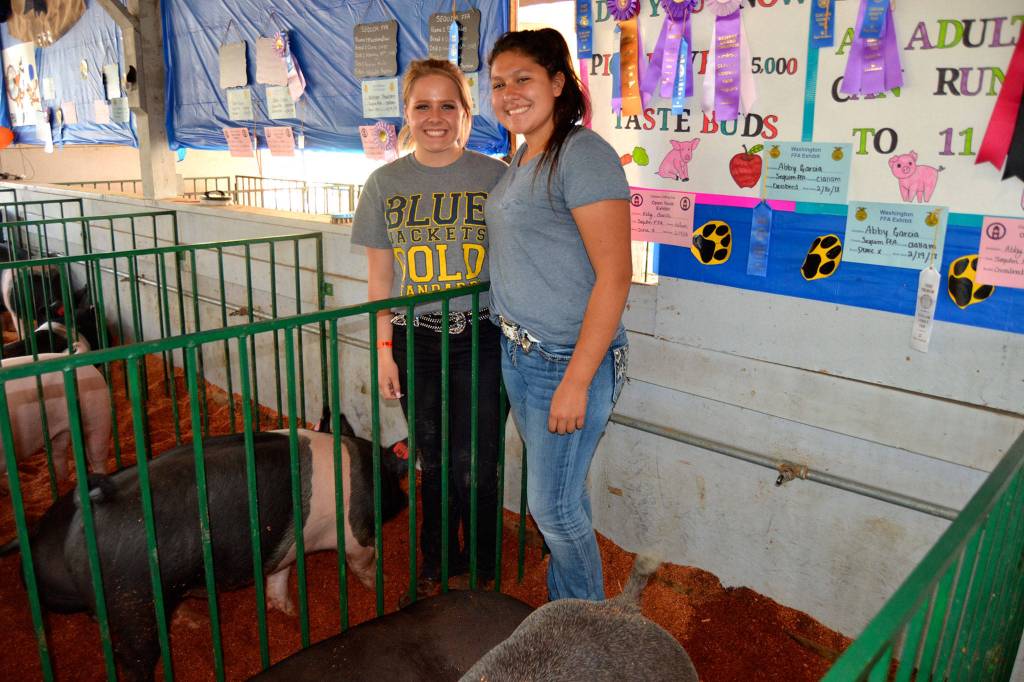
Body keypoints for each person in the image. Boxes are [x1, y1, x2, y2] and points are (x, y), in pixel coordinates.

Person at [351, 59, 508, 596]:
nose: (435, 117)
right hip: (417, 341)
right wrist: (383, 350)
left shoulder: (497, 177)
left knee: (480, 461)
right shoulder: (383, 184)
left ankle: (485, 566)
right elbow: (380, 281)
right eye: (423, 105)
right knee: (434, 458)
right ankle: (438, 559)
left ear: (467, 114)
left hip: (485, 336)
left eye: (449, 105)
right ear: (405, 114)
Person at [486, 29, 633, 601]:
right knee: (564, 497)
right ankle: (574, 611)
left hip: (568, 360)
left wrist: (575, 380)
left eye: (522, 78)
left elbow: (614, 275)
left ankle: (582, 626)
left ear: (556, 81)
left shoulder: (583, 153)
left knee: (549, 507)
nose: (509, 92)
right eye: (498, 84)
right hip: (520, 354)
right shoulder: (524, 155)